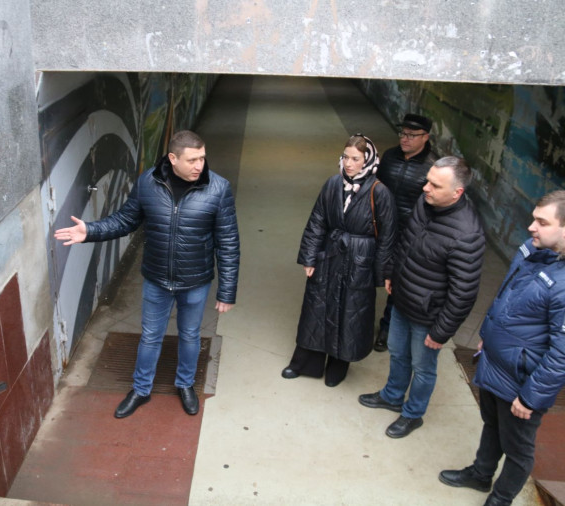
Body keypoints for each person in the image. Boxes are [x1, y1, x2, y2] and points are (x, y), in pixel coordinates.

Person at [54, 130, 240, 418]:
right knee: (151, 336)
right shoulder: (148, 183)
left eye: (202, 158)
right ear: (173, 158)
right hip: (157, 278)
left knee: (190, 335)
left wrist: (227, 291)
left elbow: (228, 242)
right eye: (192, 160)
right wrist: (90, 231)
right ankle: (141, 389)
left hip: (195, 280)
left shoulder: (218, 188)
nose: (199, 166)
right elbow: (125, 220)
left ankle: (186, 385)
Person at [439, 191, 565, 506]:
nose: (531, 227)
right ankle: (481, 474)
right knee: (492, 424)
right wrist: (486, 335)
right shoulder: (533, 250)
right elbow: (505, 296)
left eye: (542, 222)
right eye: (533, 219)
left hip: (522, 381)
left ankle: (500, 499)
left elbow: (561, 354)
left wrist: (531, 397)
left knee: (518, 449)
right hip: (497, 362)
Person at [359, 156, 485, 438]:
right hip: (403, 298)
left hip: (428, 315)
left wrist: (441, 332)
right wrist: (391, 272)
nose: (426, 188)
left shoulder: (468, 234)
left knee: (422, 367)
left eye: (435, 185)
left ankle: (413, 414)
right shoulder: (425, 202)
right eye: (428, 181)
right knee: (397, 352)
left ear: (457, 192)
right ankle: (392, 396)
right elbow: (406, 240)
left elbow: (464, 293)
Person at [281, 134, 397, 387]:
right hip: (330, 255)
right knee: (317, 308)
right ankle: (305, 363)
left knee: (349, 313)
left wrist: (381, 274)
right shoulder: (333, 184)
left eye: (355, 159)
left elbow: (387, 237)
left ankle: (338, 366)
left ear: (368, 160)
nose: (349, 163)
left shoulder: (379, 192)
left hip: (359, 261)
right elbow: (317, 221)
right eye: (345, 157)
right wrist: (310, 257)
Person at [374, 113, 438, 352]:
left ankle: (386, 328)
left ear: (426, 137)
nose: (405, 138)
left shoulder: (433, 167)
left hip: (408, 235)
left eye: (412, 135)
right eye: (403, 133)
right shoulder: (389, 157)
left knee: (397, 284)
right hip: (379, 228)